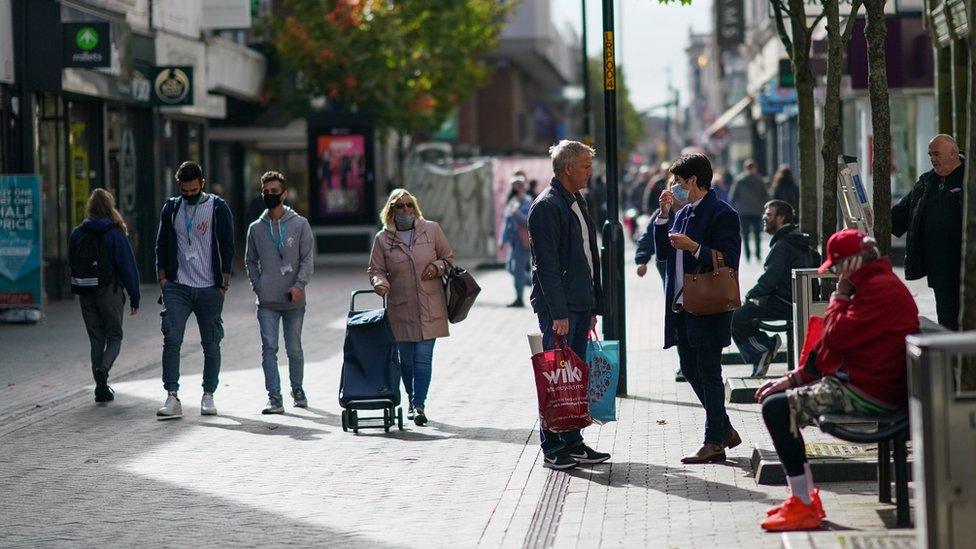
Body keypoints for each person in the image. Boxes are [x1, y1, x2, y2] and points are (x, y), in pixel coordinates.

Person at [755, 229, 918, 531]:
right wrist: (794, 379)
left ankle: (803, 503)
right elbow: (829, 349)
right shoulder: (875, 284)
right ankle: (802, 499)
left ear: (853, 262)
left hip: (869, 390)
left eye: (836, 266)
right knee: (776, 403)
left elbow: (835, 337)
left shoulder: (878, 290)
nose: (833, 272)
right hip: (866, 382)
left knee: (777, 410)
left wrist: (839, 296)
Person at [528, 139, 611, 470]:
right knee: (555, 377)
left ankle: (574, 441)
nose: (590, 173)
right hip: (559, 310)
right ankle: (553, 447)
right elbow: (546, 266)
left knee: (574, 378)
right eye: (586, 167)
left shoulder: (577, 201)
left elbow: (588, 257)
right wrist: (559, 313)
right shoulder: (547, 206)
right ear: (567, 169)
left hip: (579, 304)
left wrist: (592, 307)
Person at [655, 152, 742, 464]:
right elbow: (663, 252)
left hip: (708, 305)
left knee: (708, 372)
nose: (675, 187)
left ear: (693, 181)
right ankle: (724, 429)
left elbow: (729, 259)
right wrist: (663, 215)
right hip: (682, 306)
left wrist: (694, 248)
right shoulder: (683, 213)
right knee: (690, 369)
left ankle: (713, 441)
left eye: (679, 182)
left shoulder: (722, 213)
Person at [154, 161, 235, 419]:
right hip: (177, 286)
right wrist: (163, 279)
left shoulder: (217, 207)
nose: (189, 195)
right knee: (172, 338)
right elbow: (160, 244)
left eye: (193, 190)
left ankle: (208, 395)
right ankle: (172, 396)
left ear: (202, 183)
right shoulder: (172, 207)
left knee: (211, 343)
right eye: (185, 191)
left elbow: (228, 244)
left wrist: (223, 284)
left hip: (210, 287)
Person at [367, 189, 454, 426]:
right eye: (399, 206)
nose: (405, 210)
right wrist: (380, 283)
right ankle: (410, 399)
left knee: (423, 358)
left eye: (409, 205)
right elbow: (375, 270)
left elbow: (448, 258)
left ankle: (419, 405)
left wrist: (437, 267)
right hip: (401, 307)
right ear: (391, 210)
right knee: (405, 360)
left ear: (415, 208)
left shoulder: (431, 229)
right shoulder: (383, 239)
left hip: (430, 305)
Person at [245, 171, 315, 415]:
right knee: (269, 348)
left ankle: (297, 390)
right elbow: (250, 261)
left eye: (274, 192)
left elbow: (307, 259)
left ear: (284, 194)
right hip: (266, 301)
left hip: (294, 299)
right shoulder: (255, 229)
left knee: (294, 348)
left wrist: (298, 285)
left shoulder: (300, 224)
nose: (270, 196)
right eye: (266, 192)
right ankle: (274, 398)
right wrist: (258, 285)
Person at [732, 200, 820, 377]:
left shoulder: (783, 245)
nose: (764, 218)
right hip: (797, 299)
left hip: (785, 302)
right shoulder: (798, 240)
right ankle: (762, 349)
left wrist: (751, 296)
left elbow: (770, 279)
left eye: (769, 214)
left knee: (735, 316)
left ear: (781, 218)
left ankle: (763, 349)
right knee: (743, 311)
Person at [69, 189, 141, 403]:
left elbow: (72, 262)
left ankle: (100, 387)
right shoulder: (115, 233)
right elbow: (128, 267)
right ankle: (104, 369)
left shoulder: (77, 233)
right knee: (115, 336)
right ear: (110, 208)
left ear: (90, 208)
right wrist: (135, 297)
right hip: (110, 291)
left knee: (96, 339)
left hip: (86, 291)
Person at [892, 133, 964, 330]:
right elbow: (897, 217)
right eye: (930, 154)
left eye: (937, 154)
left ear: (953, 153)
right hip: (939, 271)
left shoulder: (968, 178)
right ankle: (954, 359)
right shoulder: (926, 183)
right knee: (947, 322)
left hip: (966, 268)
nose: (932, 158)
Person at [636, 178, 689, 383]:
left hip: (695, 279)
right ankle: (685, 365)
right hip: (670, 274)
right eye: (674, 186)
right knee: (677, 315)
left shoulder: (694, 212)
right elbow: (648, 237)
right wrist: (642, 260)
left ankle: (694, 361)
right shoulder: (662, 214)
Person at [500, 178, 533, 307]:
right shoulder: (512, 202)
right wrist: (502, 240)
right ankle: (536, 284)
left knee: (518, 271)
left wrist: (517, 213)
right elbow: (506, 222)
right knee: (510, 268)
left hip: (523, 242)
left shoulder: (528, 202)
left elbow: (528, 221)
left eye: (517, 186)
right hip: (513, 242)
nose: (515, 189)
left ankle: (519, 298)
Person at [729, 159, 769, 262]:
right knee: (757, 234)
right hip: (756, 211)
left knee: (745, 235)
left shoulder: (739, 180)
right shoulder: (760, 180)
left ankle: (747, 255)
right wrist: (763, 206)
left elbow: (732, 196)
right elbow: (766, 196)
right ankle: (758, 254)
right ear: (755, 168)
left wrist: (735, 207)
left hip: (744, 211)